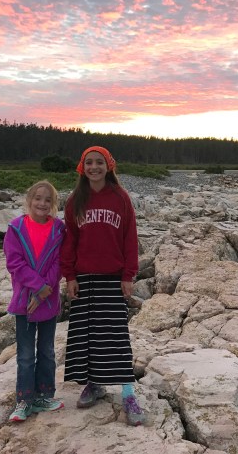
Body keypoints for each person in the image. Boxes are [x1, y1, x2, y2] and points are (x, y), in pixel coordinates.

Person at [61, 146, 145, 426]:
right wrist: (70, 276)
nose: (94, 167)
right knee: (88, 336)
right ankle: (94, 384)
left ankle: (128, 394)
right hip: (84, 277)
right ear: (82, 167)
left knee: (116, 336)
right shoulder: (75, 200)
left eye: (99, 162)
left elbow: (130, 238)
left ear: (109, 166)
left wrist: (128, 275)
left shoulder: (120, 197)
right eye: (89, 162)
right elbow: (70, 241)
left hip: (112, 277)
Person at [4, 180, 65, 422]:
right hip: (24, 301)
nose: (42, 203)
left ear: (54, 204)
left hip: (48, 301)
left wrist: (44, 291)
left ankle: (45, 395)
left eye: (48, 200)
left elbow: (60, 262)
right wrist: (37, 287)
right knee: (26, 354)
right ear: (29, 200)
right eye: (38, 198)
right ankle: (24, 399)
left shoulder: (59, 229)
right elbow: (14, 262)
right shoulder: (16, 228)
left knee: (47, 351)